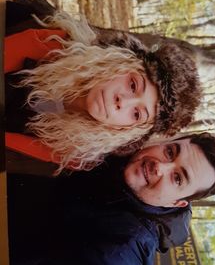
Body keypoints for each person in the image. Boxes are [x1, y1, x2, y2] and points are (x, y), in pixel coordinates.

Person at [8, 132, 215, 265]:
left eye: (177, 177)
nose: (160, 166)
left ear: (176, 203)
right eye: (170, 151)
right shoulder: (116, 142)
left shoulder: (130, 243)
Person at [5, 13, 201, 174]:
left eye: (137, 114)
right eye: (133, 85)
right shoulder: (56, 45)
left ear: (129, 130)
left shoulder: (71, 155)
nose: (122, 102)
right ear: (122, 62)